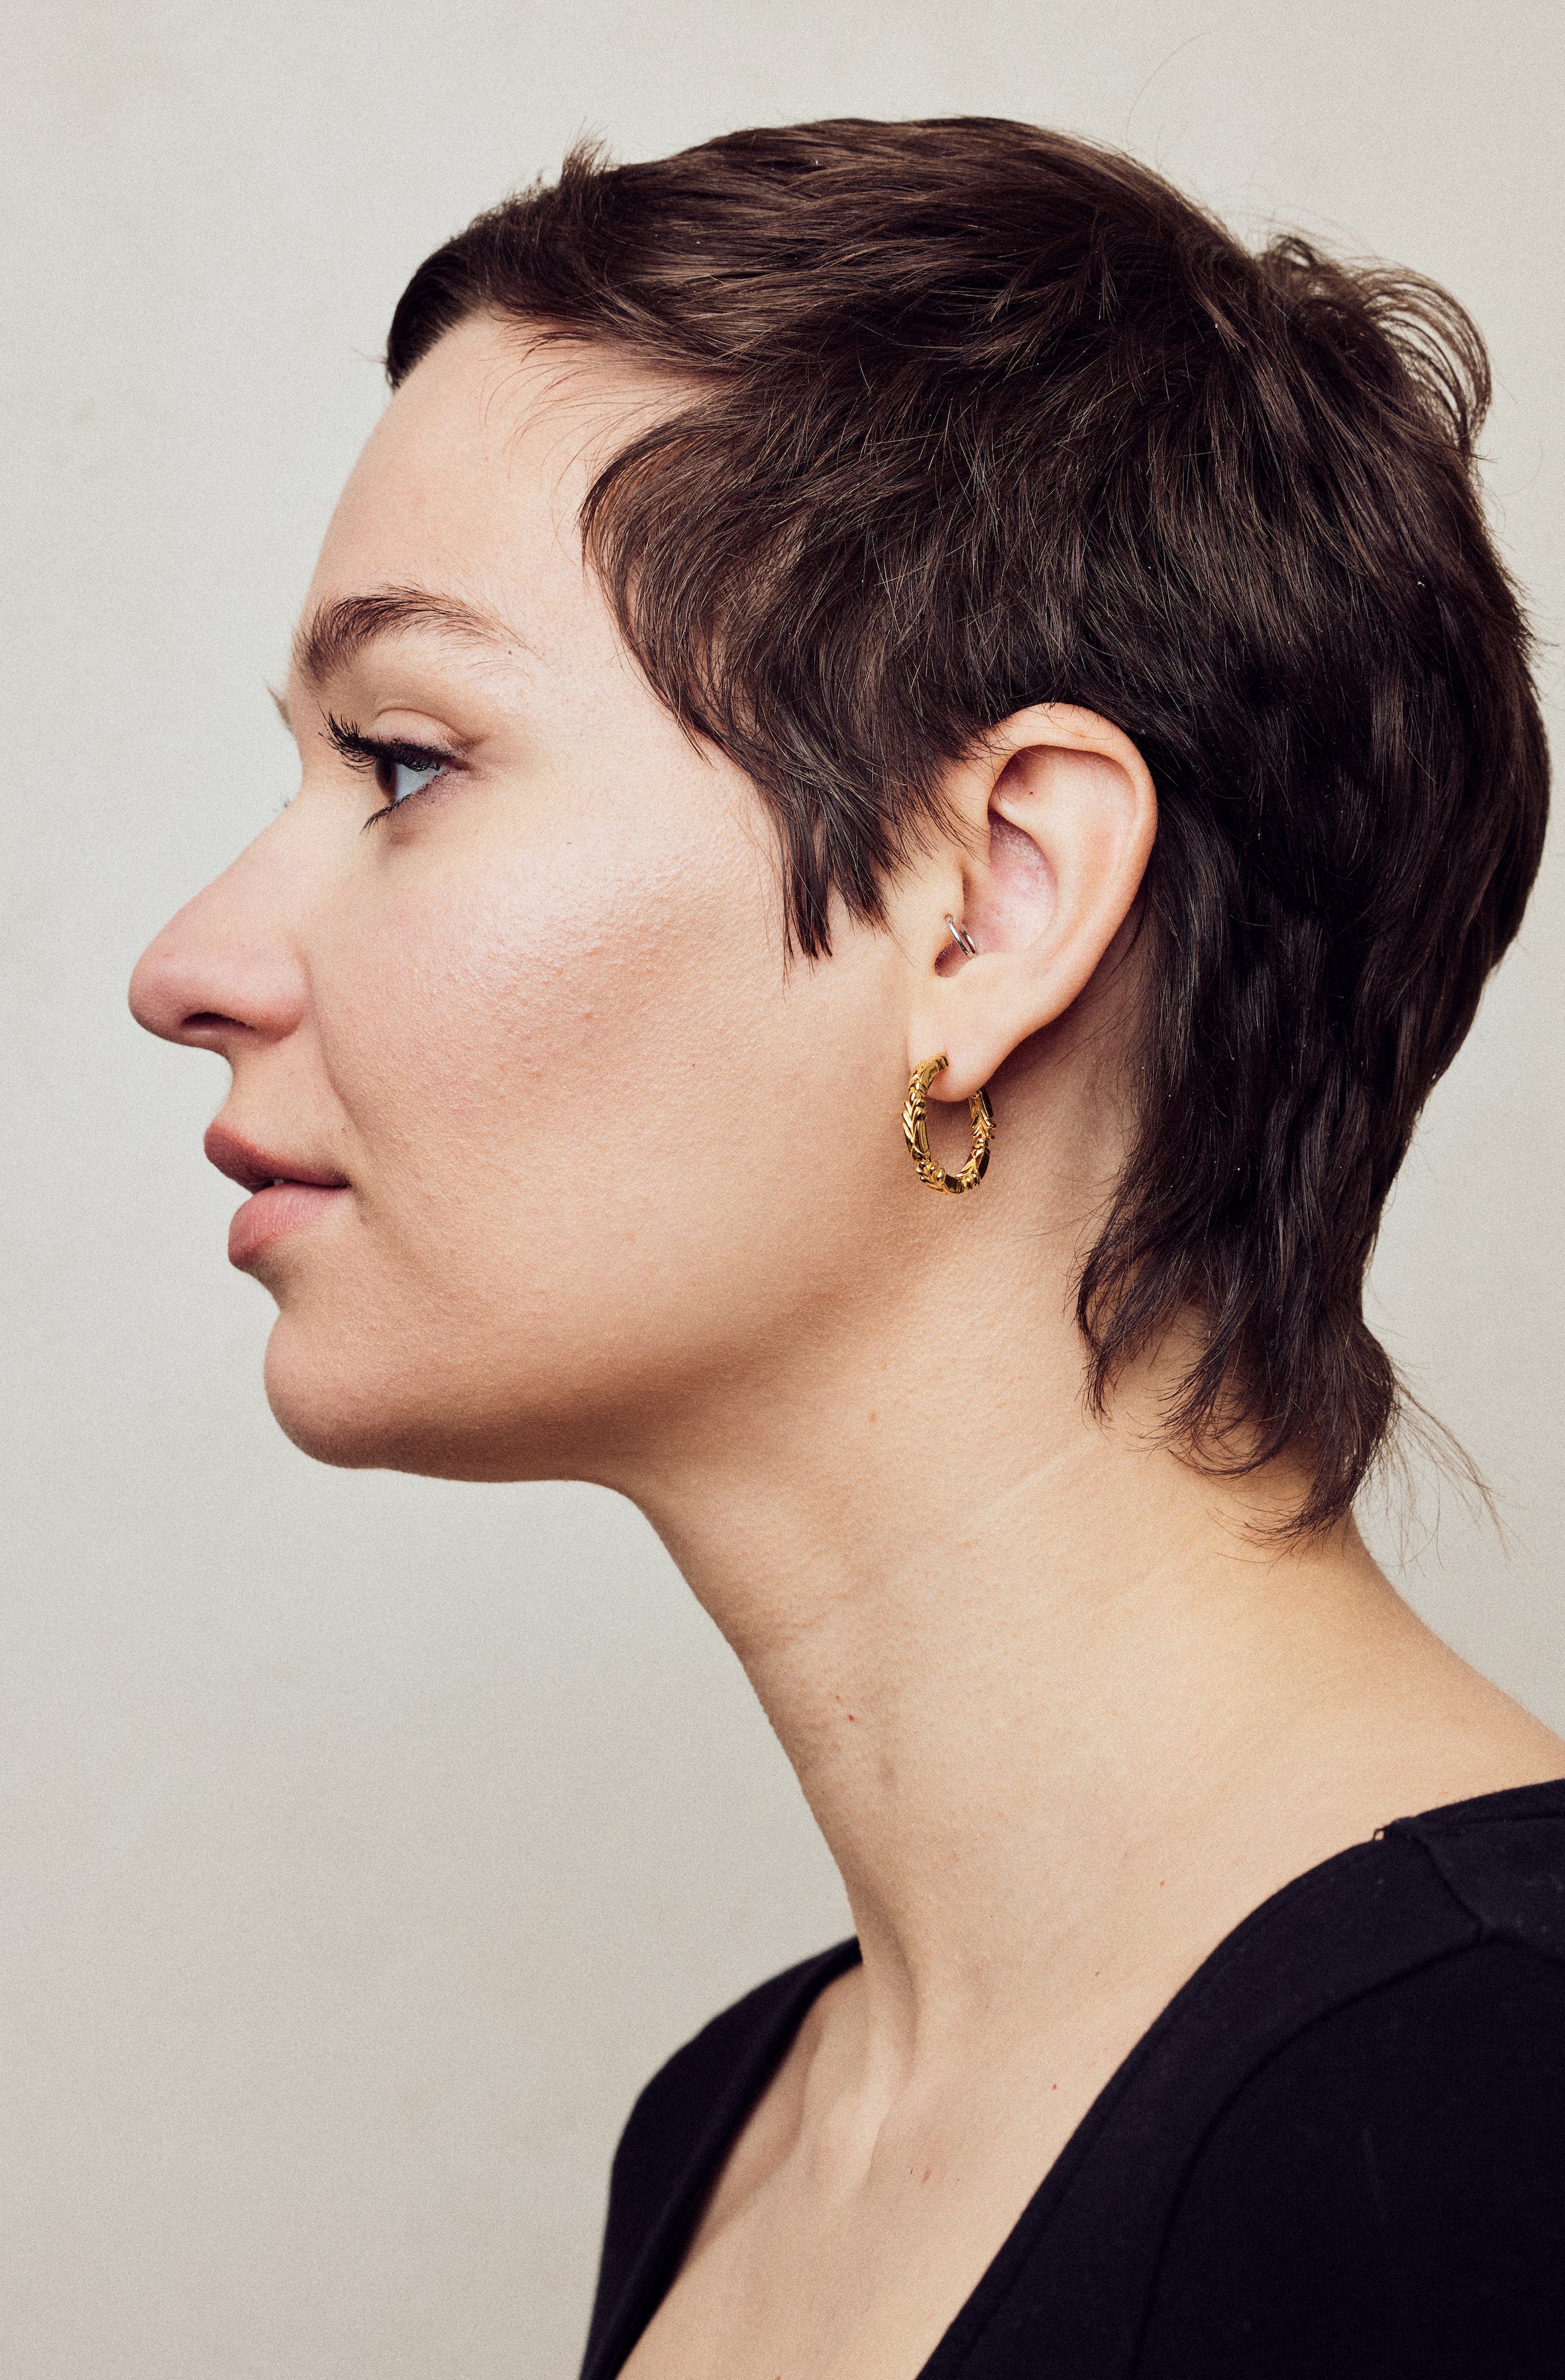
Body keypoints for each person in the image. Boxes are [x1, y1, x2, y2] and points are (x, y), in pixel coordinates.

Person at [129, 117, 1565, 2379]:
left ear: (989, 900)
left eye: (402, 763)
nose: (189, 960)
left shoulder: (1489, 2132)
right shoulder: (730, 2132)